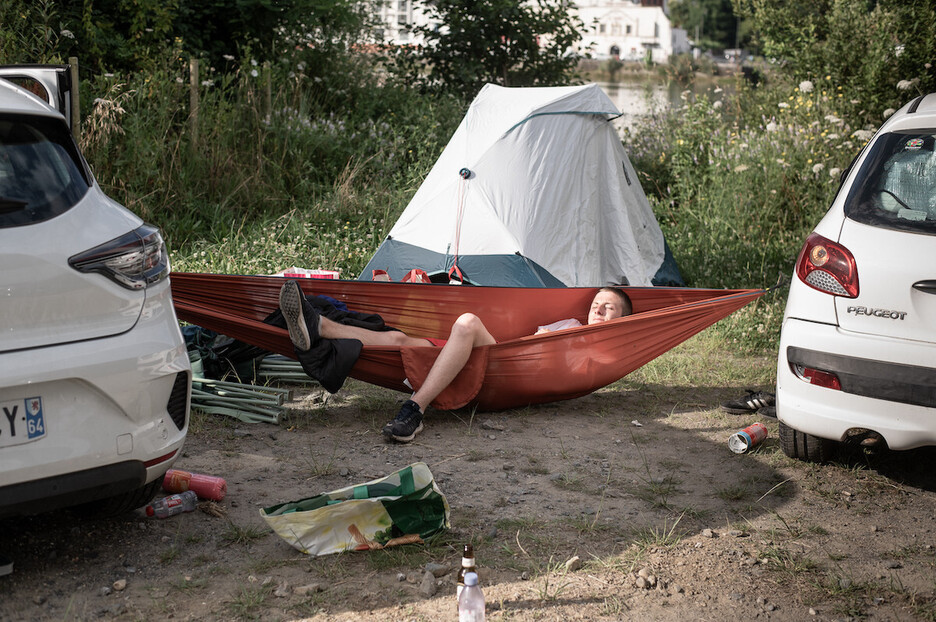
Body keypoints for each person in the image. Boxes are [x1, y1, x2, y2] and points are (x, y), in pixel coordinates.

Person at [278, 281, 632, 443]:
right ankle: (319, 327)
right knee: (403, 341)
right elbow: (531, 346)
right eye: (595, 303)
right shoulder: (569, 325)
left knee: (466, 322)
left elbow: (581, 371)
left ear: (621, 321)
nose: (597, 308)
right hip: (507, 359)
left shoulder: (604, 354)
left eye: (607, 307)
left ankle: (415, 409)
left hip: (515, 376)